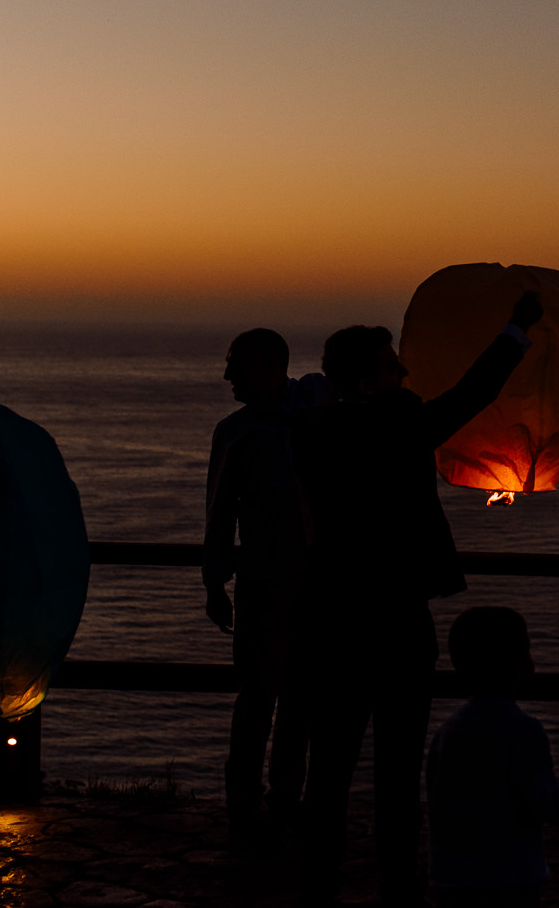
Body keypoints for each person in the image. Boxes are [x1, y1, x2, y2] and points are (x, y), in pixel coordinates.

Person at [292, 291, 543, 907]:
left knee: (326, 766)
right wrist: (517, 325)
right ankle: (398, 883)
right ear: (367, 380)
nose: (404, 373)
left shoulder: (313, 432)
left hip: (332, 620)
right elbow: (474, 391)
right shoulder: (400, 422)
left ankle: (317, 882)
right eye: (392, 364)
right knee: (398, 771)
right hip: (400, 621)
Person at [203, 327, 326, 846]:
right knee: (258, 698)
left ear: (273, 367)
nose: (228, 376)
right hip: (262, 583)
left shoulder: (313, 419)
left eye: (238, 365)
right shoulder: (234, 432)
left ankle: (284, 798)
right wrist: (215, 583)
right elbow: (218, 514)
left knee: (299, 698)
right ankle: (245, 802)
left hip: (317, 583)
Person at [426, 606, 559, 908]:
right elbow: (550, 803)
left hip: (451, 882)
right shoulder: (523, 731)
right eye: (527, 650)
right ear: (515, 665)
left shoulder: (445, 734)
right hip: (510, 883)